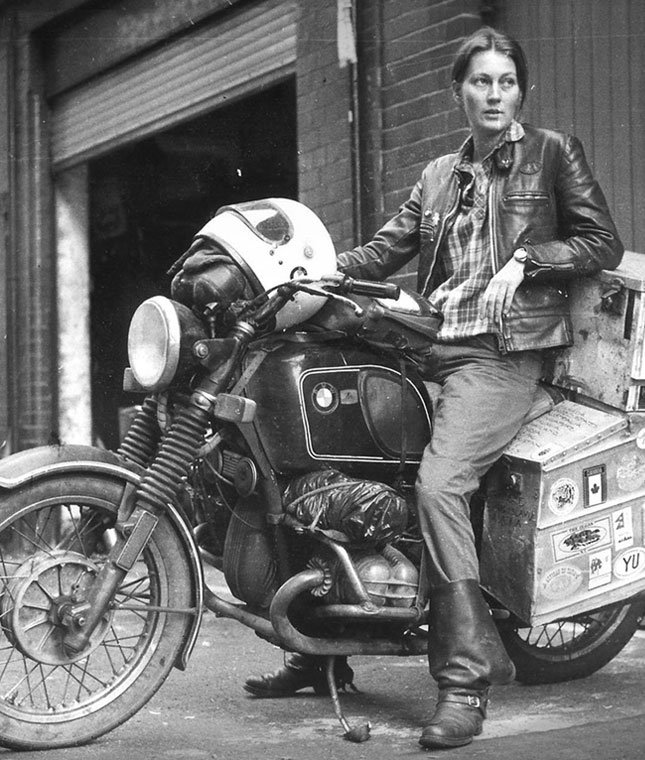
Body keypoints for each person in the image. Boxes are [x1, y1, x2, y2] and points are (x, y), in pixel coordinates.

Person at [244, 26, 624, 749]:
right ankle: (319, 647)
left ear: (521, 91)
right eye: (480, 82)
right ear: (458, 92)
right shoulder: (437, 175)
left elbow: (600, 241)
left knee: (440, 486)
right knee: (329, 446)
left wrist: (531, 259)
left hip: (502, 357)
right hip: (428, 344)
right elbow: (384, 249)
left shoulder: (551, 153)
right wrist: (307, 274)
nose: (493, 94)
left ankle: (464, 683)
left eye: (505, 82)